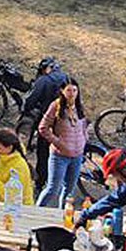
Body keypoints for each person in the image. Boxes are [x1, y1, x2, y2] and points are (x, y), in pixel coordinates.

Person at [37, 78, 89, 208]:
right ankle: (36, 210)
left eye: (75, 90)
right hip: (60, 155)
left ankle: (62, 216)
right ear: (62, 91)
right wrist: (58, 142)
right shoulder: (55, 106)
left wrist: (84, 138)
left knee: (69, 190)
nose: (72, 93)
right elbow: (43, 127)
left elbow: (83, 124)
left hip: (77, 156)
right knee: (53, 189)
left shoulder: (79, 106)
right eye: (69, 90)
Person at [17, 58, 67, 190]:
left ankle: (40, 183)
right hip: (65, 120)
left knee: (43, 152)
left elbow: (31, 100)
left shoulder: (44, 80)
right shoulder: (65, 77)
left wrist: (26, 110)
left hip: (48, 120)